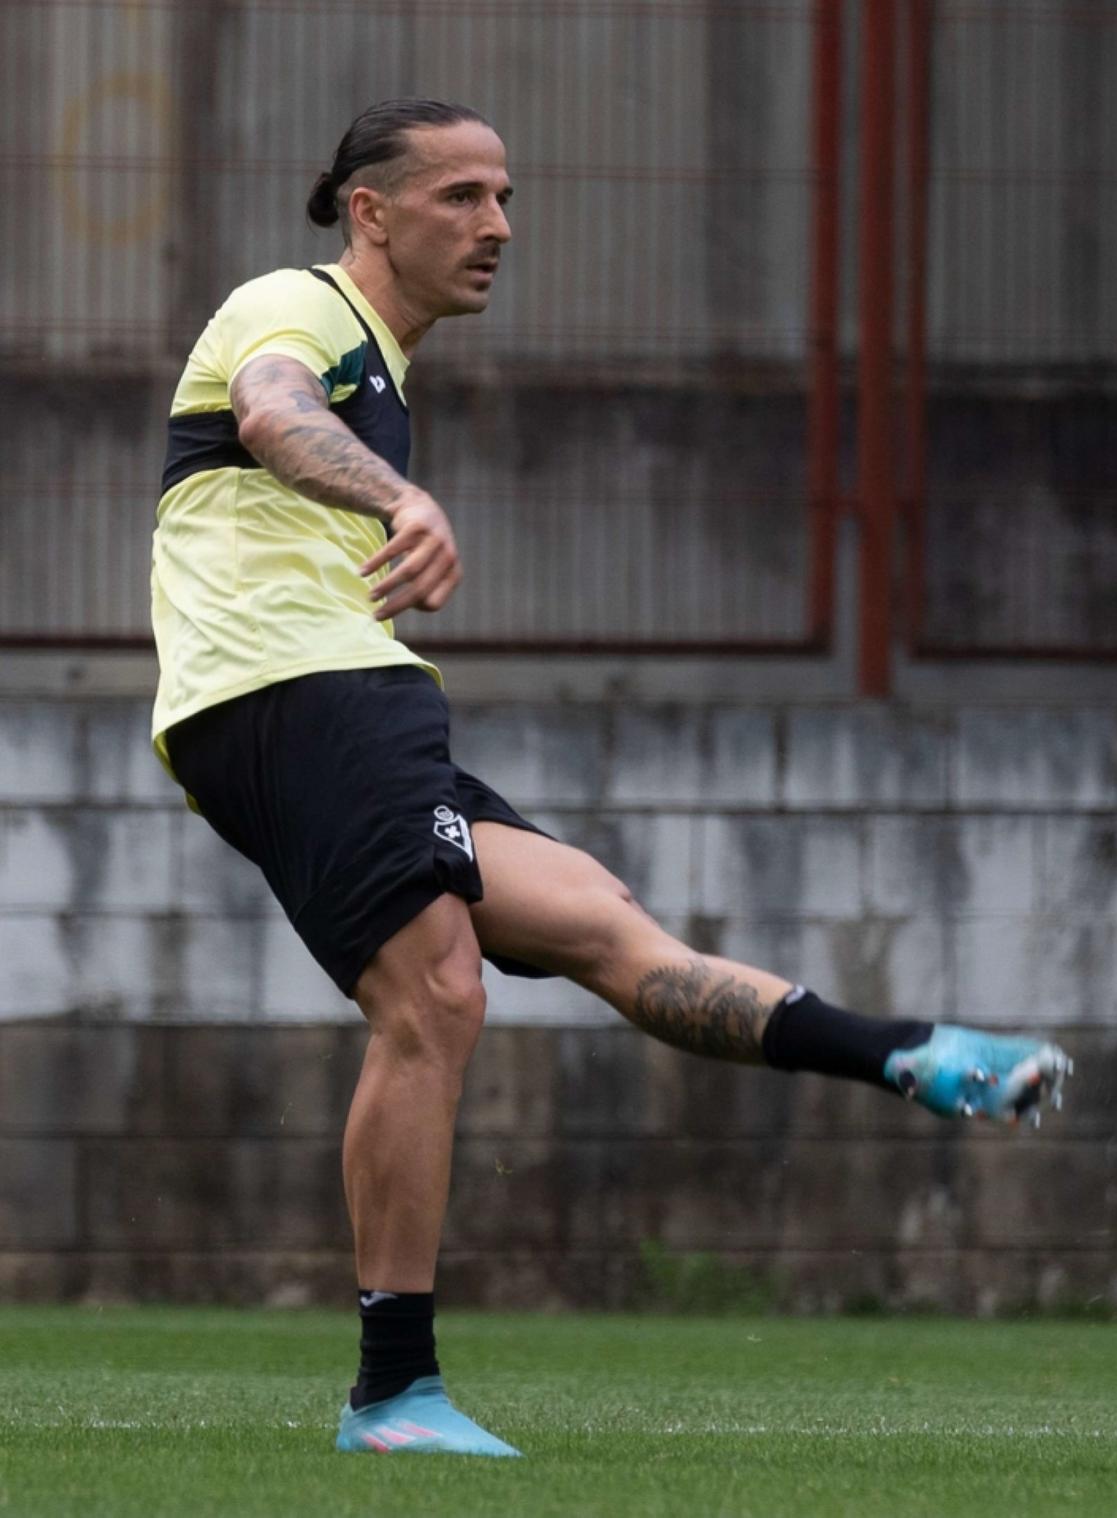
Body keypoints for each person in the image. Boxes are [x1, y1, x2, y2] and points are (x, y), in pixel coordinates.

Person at [150, 98, 1070, 1459]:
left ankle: (908, 1053)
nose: (497, 225)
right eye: (462, 196)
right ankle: (395, 1395)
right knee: (436, 995)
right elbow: (272, 409)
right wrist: (400, 498)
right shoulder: (298, 306)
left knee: (602, 924)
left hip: (329, 698)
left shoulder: (386, 365)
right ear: (370, 212)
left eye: (504, 197)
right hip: (297, 687)